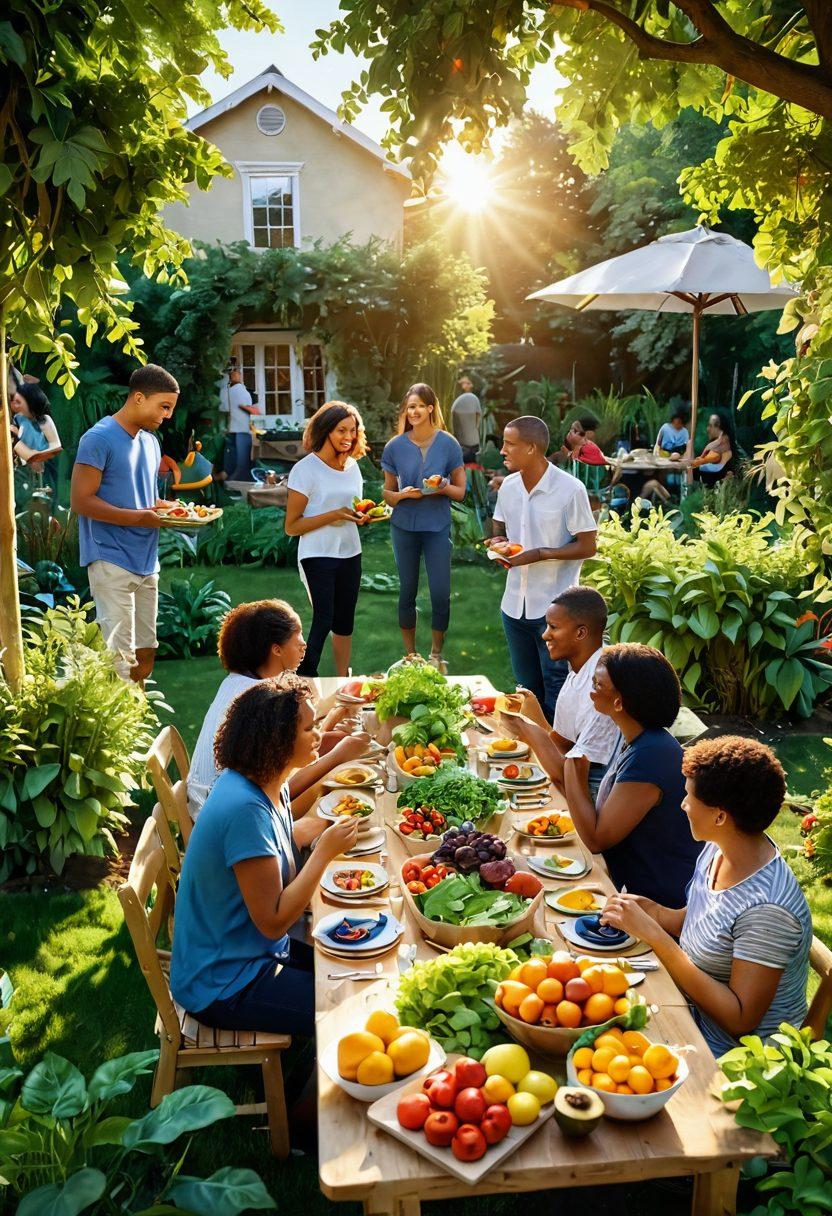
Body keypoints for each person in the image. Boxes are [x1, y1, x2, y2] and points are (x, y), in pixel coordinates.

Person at [170, 677, 360, 1034]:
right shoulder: (245, 810)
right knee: (347, 1013)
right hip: (224, 982)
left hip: (252, 954)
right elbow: (273, 920)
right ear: (278, 741)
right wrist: (324, 853)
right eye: (309, 729)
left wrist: (333, 767)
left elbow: (289, 794)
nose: (318, 734)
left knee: (354, 972)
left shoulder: (260, 781)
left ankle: (309, 1077)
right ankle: (307, 1089)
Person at [602, 736, 812, 1057]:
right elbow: (701, 921)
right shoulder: (718, 848)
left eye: (688, 796)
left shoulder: (768, 909)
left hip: (734, 1058)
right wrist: (655, 913)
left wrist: (656, 936)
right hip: (688, 1011)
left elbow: (739, 1020)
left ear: (719, 816)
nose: (683, 804)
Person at [187, 599, 372, 817]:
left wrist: (331, 720)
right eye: (298, 637)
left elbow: (287, 750)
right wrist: (337, 756)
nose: (304, 644)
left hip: (206, 806)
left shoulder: (235, 682)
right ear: (276, 649)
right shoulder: (261, 702)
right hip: (230, 818)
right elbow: (284, 788)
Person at [564, 642, 702, 907]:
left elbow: (596, 839)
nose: (591, 692)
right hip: (633, 889)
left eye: (598, 685)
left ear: (619, 702)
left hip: (659, 905)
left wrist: (572, 772)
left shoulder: (651, 756)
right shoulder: (640, 739)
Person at [71, 364, 179, 682]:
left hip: (147, 561)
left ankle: (137, 721)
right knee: (119, 660)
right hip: (110, 558)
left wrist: (170, 509)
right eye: (164, 406)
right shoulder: (98, 439)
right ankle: (120, 728)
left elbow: (141, 498)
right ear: (138, 398)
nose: (168, 415)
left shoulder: (149, 443)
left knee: (145, 655)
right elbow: (81, 500)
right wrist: (140, 518)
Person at [486, 416, 597, 720]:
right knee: (527, 694)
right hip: (513, 608)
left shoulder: (569, 489)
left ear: (532, 448)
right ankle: (535, 763)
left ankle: (564, 762)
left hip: (556, 611)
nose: (502, 450)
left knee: (558, 693)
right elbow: (501, 529)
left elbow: (588, 545)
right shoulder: (508, 487)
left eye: (510, 444)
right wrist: (497, 542)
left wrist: (541, 554)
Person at [501, 587, 620, 802]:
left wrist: (527, 730)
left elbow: (572, 779)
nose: (544, 634)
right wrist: (534, 715)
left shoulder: (601, 686)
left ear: (580, 633)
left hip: (597, 794)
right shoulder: (580, 667)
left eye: (553, 627)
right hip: (576, 776)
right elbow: (565, 744)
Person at [381, 384, 466, 671]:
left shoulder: (449, 444)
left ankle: (436, 654)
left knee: (441, 591)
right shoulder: (395, 446)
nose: (413, 412)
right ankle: (411, 655)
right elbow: (388, 494)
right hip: (404, 526)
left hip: (436, 526)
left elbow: (460, 492)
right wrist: (402, 495)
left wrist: (442, 485)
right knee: (407, 591)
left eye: (419, 406)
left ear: (431, 408)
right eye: (409, 407)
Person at [285, 401, 368, 678]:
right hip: (317, 553)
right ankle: (305, 676)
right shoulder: (305, 470)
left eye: (352, 431)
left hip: (350, 551)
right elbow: (292, 526)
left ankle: (343, 679)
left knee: (345, 622)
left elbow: (353, 506)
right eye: (340, 430)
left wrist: (361, 515)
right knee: (325, 617)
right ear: (325, 430)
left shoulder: (353, 467)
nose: (348, 437)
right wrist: (333, 515)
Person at [10, 382, 62, 490]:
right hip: (22, 467)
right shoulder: (18, 419)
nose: (14, 405)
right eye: (13, 401)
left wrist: (37, 456)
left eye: (18, 402)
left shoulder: (44, 420)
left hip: (44, 463)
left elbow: (56, 446)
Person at [218, 366, 259, 484]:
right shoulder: (242, 391)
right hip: (243, 429)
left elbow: (223, 407)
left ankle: (230, 480)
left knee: (232, 458)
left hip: (232, 428)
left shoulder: (227, 390)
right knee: (242, 461)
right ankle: (234, 481)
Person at [688, 410, 736, 487]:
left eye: (711, 425)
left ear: (719, 427)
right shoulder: (717, 442)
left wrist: (698, 461)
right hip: (716, 474)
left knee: (692, 470)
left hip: (720, 475)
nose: (708, 429)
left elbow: (711, 458)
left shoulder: (723, 442)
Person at [449, 374, 482, 463]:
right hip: (464, 440)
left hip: (469, 441)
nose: (464, 385)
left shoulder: (472, 399)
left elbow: (477, 419)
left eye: (468, 383)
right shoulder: (460, 398)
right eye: (463, 383)